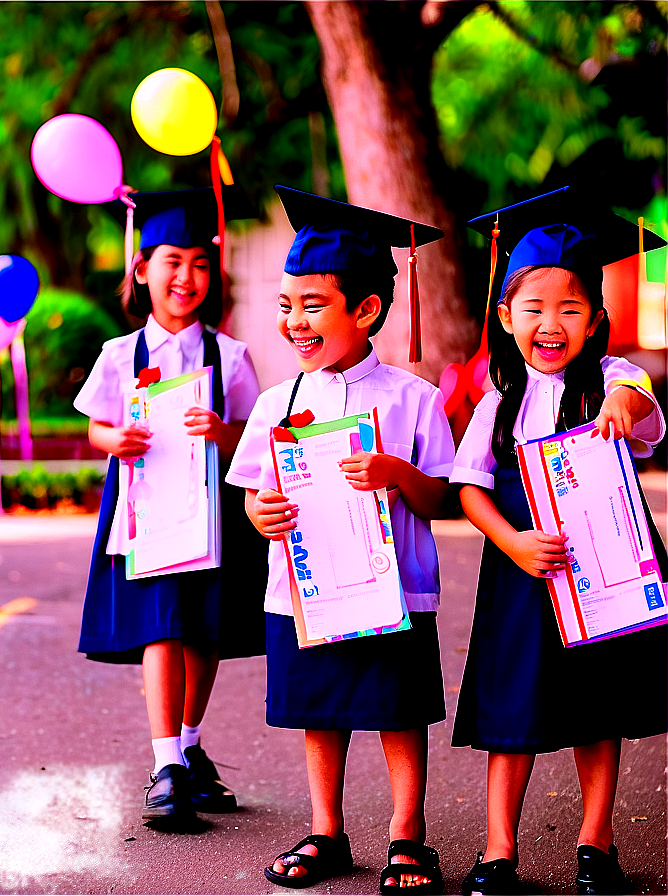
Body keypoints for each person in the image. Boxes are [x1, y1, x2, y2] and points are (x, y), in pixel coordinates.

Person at [227, 186, 455, 891]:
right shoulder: (276, 403)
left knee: (395, 708)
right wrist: (260, 516)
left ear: (366, 310)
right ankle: (326, 828)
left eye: (313, 306)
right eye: (286, 305)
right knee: (318, 710)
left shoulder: (412, 398)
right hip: (307, 589)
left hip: (395, 591)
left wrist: (397, 473)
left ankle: (406, 833)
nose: (294, 321)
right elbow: (253, 497)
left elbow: (440, 497)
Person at [450, 186, 668, 895]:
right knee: (513, 709)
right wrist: (510, 542)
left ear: (596, 321)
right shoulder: (498, 401)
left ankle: (595, 842)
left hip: (600, 571)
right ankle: (498, 849)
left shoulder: (610, 377)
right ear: (506, 315)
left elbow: (639, 400)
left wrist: (617, 406)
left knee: (596, 708)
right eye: (535, 308)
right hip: (522, 572)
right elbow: (469, 488)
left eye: (570, 309)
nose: (551, 323)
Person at [74, 186, 265, 830]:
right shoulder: (118, 354)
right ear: (143, 269)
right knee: (162, 625)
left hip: (211, 509)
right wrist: (114, 438)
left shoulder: (230, 356)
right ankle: (165, 766)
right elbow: (96, 428)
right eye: (173, 261)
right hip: (145, 507)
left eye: (200, 264)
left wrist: (222, 432)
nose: (187, 277)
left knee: (203, 629)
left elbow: (255, 433)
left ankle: (188, 744)